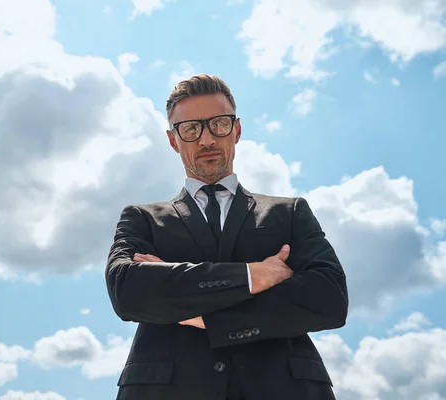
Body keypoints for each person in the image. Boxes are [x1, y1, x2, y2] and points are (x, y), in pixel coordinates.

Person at [105, 74, 348, 400]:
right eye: (190, 128)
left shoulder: (289, 213)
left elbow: (329, 298)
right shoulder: (142, 219)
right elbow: (128, 291)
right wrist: (257, 275)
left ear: (236, 130)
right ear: (173, 140)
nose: (206, 139)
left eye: (218, 124)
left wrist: (204, 315)